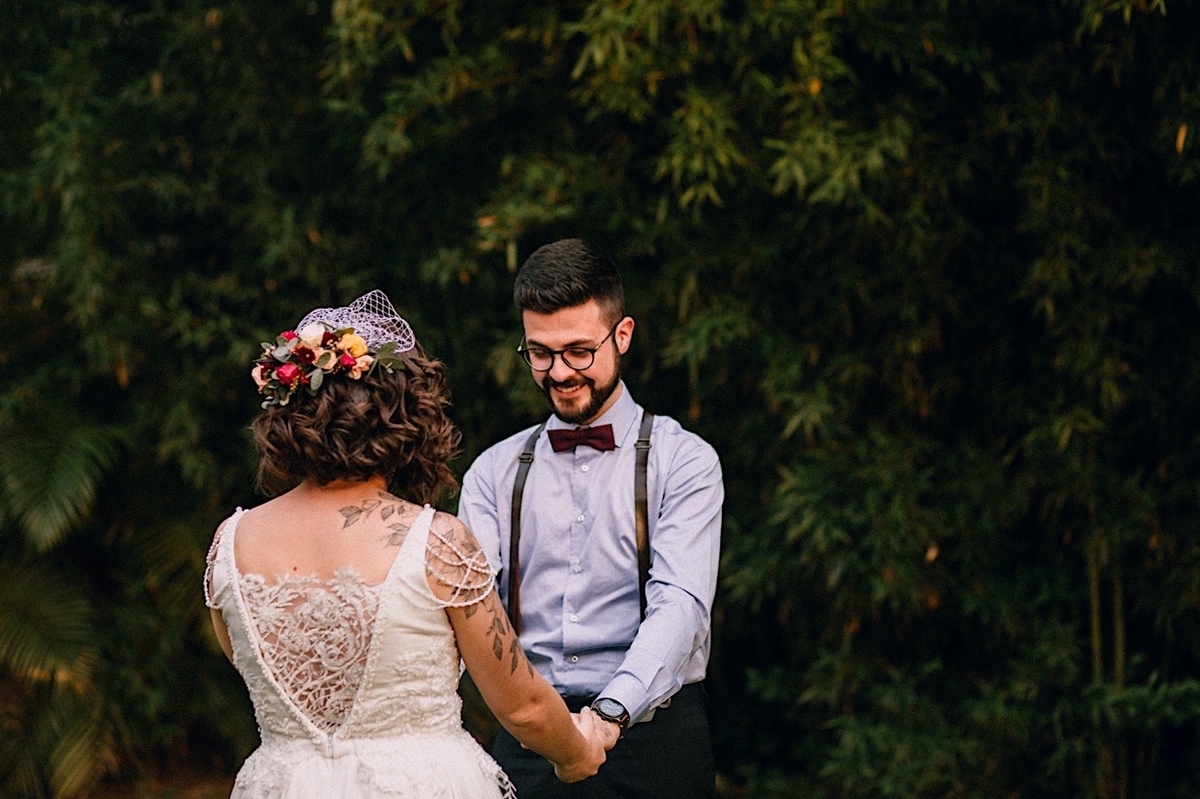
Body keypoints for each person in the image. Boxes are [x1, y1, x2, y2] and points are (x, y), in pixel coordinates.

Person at [203, 290, 610, 799]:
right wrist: (578, 753)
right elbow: (522, 705)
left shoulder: (230, 542)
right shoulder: (436, 542)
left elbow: (250, 668)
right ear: (407, 424)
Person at [458, 239, 724, 798]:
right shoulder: (493, 471)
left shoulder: (686, 460)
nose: (559, 372)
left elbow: (681, 606)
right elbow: (467, 611)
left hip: (654, 739)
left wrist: (608, 716)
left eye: (579, 351)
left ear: (621, 336)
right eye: (540, 353)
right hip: (526, 740)